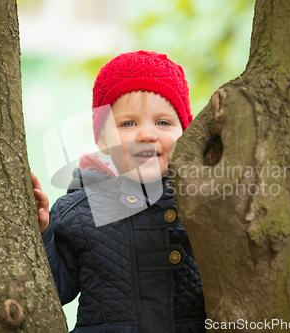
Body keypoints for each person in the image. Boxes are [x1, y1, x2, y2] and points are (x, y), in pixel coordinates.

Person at [32, 50, 207, 333]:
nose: (146, 134)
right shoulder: (78, 211)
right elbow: (55, 291)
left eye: (163, 122)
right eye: (128, 123)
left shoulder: (203, 202)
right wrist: (43, 235)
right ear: (102, 139)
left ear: (184, 134)